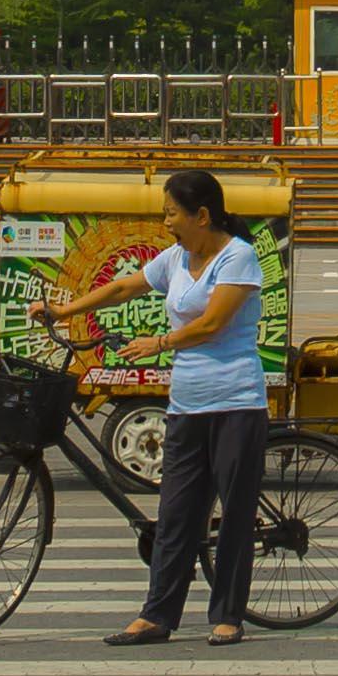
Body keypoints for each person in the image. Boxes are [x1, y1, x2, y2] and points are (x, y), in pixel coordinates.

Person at [61, 166, 269, 647]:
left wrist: (158, 342)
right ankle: (157, 615)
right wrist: (65, 311)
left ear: (201, 215)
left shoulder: (238, 258)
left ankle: (228, 615)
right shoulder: (176, 258)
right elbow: (122, 287)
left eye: (172, 214)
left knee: (235, 512)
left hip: (236, 401)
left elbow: (212, 325)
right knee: (175, 513)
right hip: (187, 405)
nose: (167, 223)